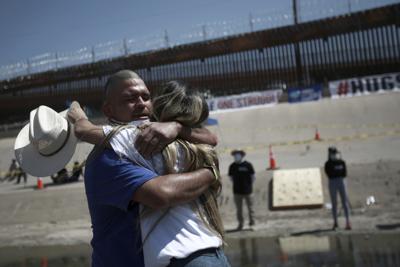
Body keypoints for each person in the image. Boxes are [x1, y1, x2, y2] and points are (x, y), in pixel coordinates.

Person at [68, 71, 229, 267]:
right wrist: (210, 172)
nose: (142, 103)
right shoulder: (113, 153)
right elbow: (160, 194)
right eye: (130, 98)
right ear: (108, 110)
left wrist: (177, 127)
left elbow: (83, 129)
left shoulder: (156, 137)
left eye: (146, 97)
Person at [324, 146, 351, 230]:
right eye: (332, 153)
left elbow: (344, 173)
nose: (333, 155)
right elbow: (329, 174)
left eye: (334, 153)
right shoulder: (328, 164)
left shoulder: (341, 162)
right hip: (332, 182)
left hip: (341, 181)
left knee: (345, 202)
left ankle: (348, 222)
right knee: (334, 203)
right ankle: (335, 222)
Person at [228, 149, 255, 230]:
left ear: (242, 155)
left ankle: (252, 223)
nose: (236, 156)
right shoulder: (232, 166)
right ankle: (241, 224)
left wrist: (248, 185)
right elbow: (231, 177)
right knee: (239, 209)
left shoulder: (248, 165)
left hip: (248, 191)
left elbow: (253, 177)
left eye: (238, 155)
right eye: (235, 155)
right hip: (237, 192)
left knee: (251, 208)